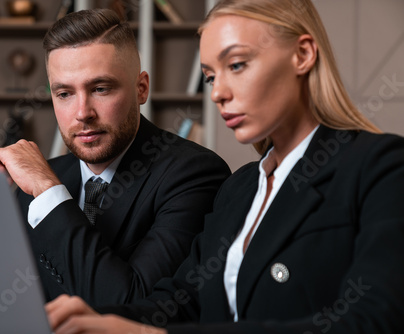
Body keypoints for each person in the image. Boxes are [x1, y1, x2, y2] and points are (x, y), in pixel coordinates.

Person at [42, 0, 404, 333]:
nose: (218, 93)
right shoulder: (241, 188)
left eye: (236, 65)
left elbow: (373, 321)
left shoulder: (382, 167)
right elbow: (183, 300)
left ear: (303, 54)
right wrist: (95, 321)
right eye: (211, 76)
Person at [0, 9, 231, 306]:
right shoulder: (38, 183)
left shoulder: (195, 174)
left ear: (141, 88)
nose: (82, 113)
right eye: (64, 93)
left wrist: (51, 194)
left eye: (100, 89)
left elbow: (131, 306)